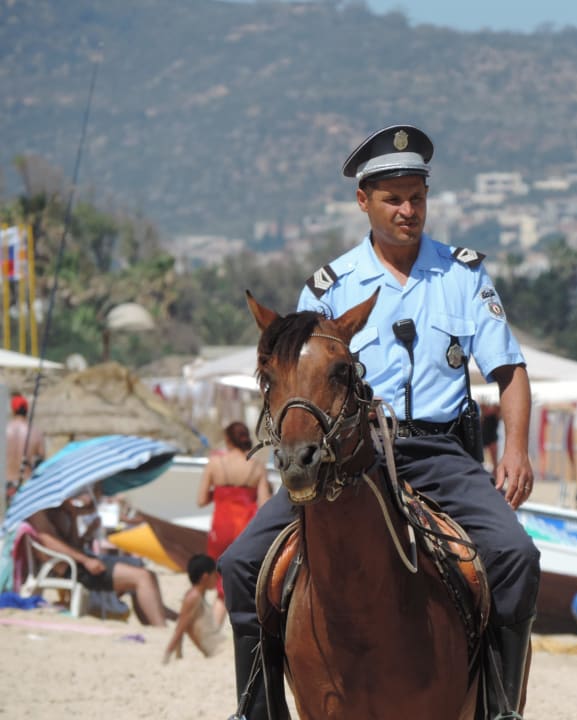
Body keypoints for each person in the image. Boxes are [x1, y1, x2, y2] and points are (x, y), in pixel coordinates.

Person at [219, 124, 540, 720]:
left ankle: (499, 708)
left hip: (442, 455)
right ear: (363, 202)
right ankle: (257, 710)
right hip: (351, 456)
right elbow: (294, 382)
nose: (408, 210)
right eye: (393, 198)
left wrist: (516, 451)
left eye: (416, 196)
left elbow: (510, 372)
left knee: (515, 555)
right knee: (241, 566)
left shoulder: (464, 276)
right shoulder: (328, 288)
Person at [27, 492, 172, 626]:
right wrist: (85, 560)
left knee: (146, 572)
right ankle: (160, 627)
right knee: (143, 577)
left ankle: (155, 621)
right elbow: (47, 541)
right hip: (70, 567)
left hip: (78, 561)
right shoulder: (37, 509)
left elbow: (74, 543)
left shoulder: (60, 506)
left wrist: (75, 517)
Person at [197, 421, 271, 626]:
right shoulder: (257, 467)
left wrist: (220, 494)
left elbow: (201, 500)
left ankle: (212, 625)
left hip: (221, 527)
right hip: (245, 528)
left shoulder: (215, 463)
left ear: (228, 440)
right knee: (243, 579)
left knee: (219, 579)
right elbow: (264, 506)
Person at [163, 554, 225, 663]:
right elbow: (180, 628)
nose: (217, 578)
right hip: (217, 650)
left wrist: (179, 654)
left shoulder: (196, 595)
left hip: (218, 647)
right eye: (215, 575)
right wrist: (168, 656)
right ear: (205, 577)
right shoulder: (193, 597)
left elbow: (182, 626)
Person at [5, 393, 45, 498]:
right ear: (26, 410)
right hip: (25, 486)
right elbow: (41, 462)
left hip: (4, 484)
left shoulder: (3, 430)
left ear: (13, 410)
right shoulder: (36, 432)